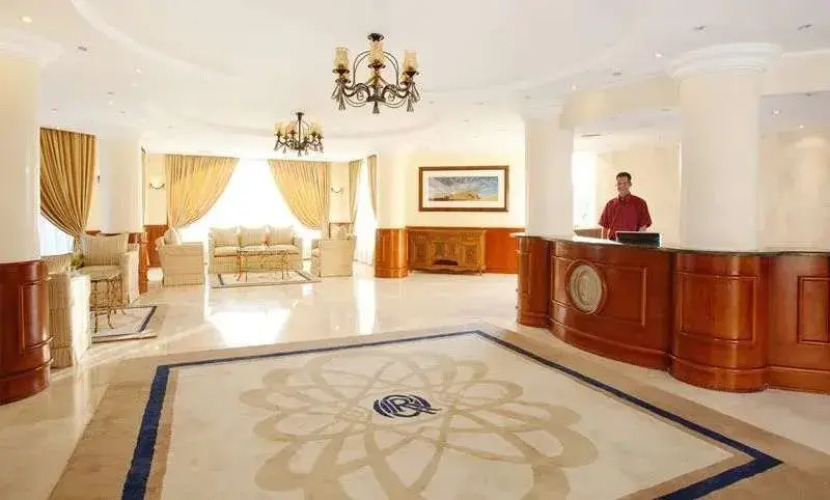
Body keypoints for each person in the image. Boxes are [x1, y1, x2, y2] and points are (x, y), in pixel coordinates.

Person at [598, 172, 651, 240]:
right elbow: (605, 228)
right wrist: (604, 245)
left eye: (625, 183)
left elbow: (643, 227)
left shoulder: (641, 203)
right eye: (619, 183)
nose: (622, 186)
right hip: (613, 243)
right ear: (616, 185)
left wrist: (638, 243)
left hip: (632, 243)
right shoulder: (609, 204)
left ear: (630, 184)